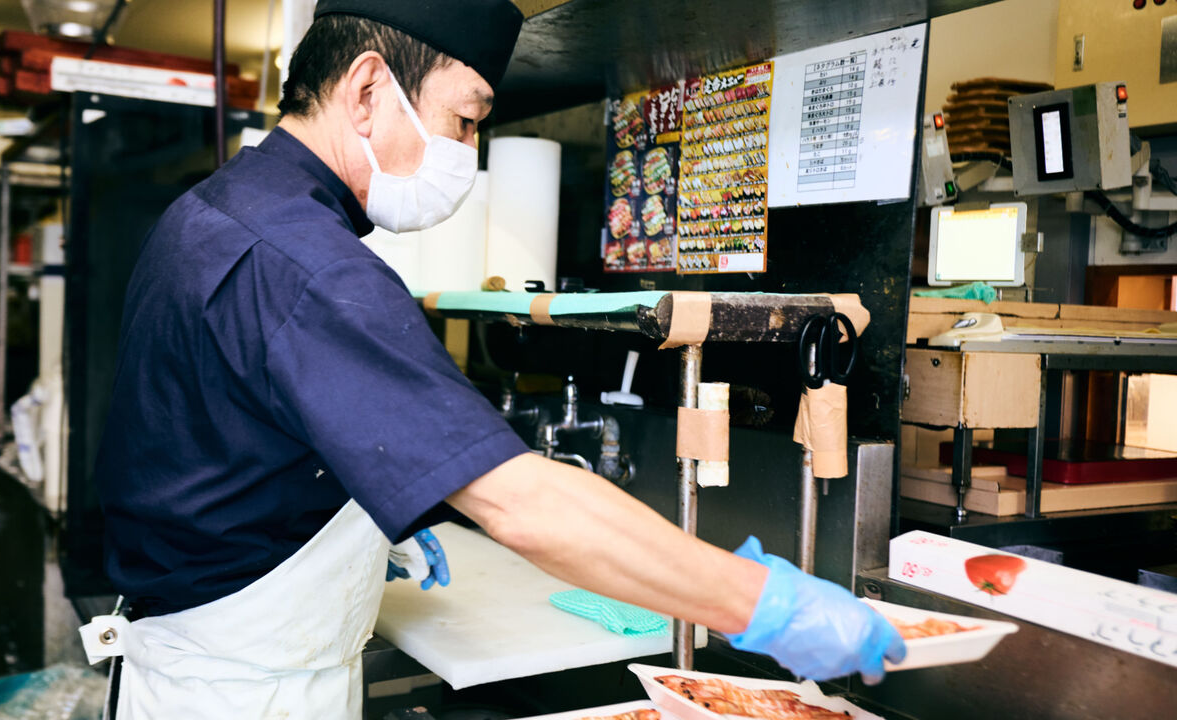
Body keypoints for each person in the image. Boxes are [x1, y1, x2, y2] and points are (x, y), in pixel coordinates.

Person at [90, 1, 905, 717]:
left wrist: (360, 523)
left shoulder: (215, 210)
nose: (467, 153)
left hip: (185, 669)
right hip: (251, 698)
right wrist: (762, 602)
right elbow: (523, 505)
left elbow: (226, 439)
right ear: (367, 90)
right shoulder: (312, 268)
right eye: (466, 120)